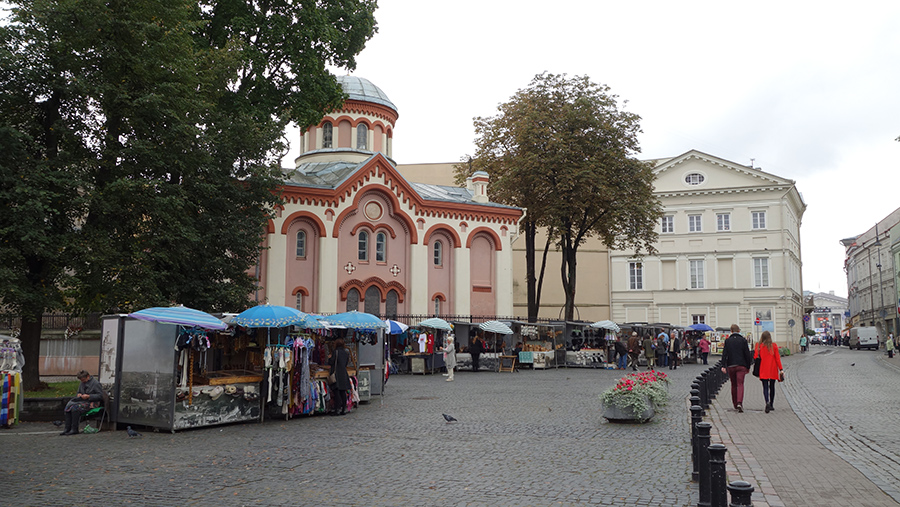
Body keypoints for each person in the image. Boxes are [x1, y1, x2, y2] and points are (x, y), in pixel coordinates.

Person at [60, 370, 103, 436]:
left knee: (75, 408)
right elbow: (78, 392)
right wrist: (79, 394)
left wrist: (89, 396)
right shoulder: (82, 383)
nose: (82, 381)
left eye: (83, 380)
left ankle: (74, 428)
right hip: (82, 401)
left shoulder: (96, 383)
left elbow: (100, 396)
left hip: (92, 403)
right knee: (68, 406)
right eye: (81, 380)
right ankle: (67, 428)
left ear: (88, 377)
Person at [720, 324, 753, 412]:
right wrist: (748, 366)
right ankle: (739, 402)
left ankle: (735, 404)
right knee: (740, 384)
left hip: (731, 365)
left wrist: (723, 365)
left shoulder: (728, 341)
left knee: (733, 385)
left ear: (731, 331)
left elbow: (724, 354)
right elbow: (747, 354)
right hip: (741, 365)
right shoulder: (743, 340)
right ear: (739, 331)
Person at [754, 331, 784, 413]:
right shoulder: (773, 346)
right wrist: (781, 369)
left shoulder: (759, 346)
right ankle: (771, 404)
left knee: (765, 387)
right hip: (773, 369)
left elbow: (755, 357)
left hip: (763, 369)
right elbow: (777, 358)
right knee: (772, 387)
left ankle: (766, 401)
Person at [329, 339, 351, 415]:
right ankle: (343, 409)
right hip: (343, 373)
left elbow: (331, 362)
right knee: (343, 392)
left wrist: (329, 357)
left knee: (337, 392)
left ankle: (337, 409)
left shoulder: (336, 352)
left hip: (336, 374)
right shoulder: (346, 352)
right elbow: (346, 363)